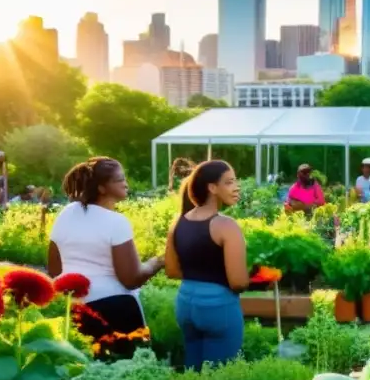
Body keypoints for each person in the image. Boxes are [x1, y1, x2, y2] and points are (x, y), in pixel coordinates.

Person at [48, 157, 163, 339]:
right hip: (115, 308)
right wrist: (159, 261)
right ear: (101, 188)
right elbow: (131, 279)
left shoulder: (66, 213)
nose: (126, 184)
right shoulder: (116, 222)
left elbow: (55, 270)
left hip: (74, 307)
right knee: (126, 364)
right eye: (120, 180)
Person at [164, 160, 248, 369]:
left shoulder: (178, 223)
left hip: (185, 303)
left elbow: (172, 271)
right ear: (212, 188)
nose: (236, 187)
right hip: (218, 306)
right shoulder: (226, 226)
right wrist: (253, 279)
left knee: (193, 371)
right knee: (220, 375)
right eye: (229, 182)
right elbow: (238, 282)